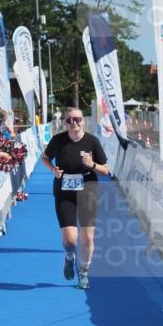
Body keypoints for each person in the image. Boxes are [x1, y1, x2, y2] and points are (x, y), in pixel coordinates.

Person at [41, 107, 109, 289]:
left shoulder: (92, 141)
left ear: (83, 121)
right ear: (65, 122)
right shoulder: (58, 140)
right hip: (64, 191)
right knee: (71, 240)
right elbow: (45, 158)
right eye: (70, 120)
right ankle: (69, 257)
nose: (74, 123)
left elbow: (105, 170)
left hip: (88, 190)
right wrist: (52, 169)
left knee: (87, 238)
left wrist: (92, 164)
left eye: (77, 119)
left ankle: (84, 271)